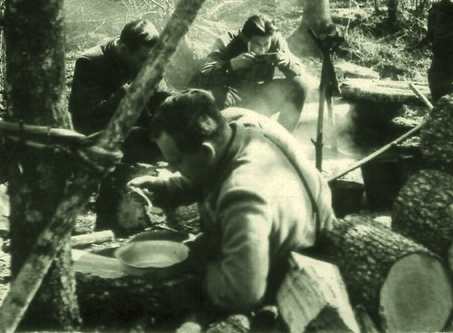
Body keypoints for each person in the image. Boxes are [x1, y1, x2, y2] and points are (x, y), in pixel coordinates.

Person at [130, 90, 334, 313]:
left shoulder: (242, 195)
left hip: (293, 277)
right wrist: (168, 188)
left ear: (206, 152)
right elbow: (215, 168)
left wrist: (199, 264)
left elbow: (241, 294)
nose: (172, 169)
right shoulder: (246, 126)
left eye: (175, 162)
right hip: (299, 232)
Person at [68, 19, 169, 163]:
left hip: (132, 127)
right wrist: (132, 91)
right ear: (123, 50)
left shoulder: (144, 56)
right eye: (143, 59)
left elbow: (161, 99)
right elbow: (90, 115)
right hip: (96, 135)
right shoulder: (90, 63)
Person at [196, 15, 308, 133]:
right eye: (257, 44)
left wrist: (287, 63)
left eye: (266, 44)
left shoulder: (275, 40)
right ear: (245, 39)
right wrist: (230, 65)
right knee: (212, 96)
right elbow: (205, 74)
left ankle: (281, 138)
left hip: (261, 97)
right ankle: (222, 140)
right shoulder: (227, 41)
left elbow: (300, 69)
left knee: (299, 85)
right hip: (231, 97)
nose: (262, 49)